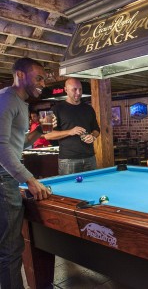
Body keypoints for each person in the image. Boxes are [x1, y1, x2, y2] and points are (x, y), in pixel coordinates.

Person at [0, 57, 52, 289]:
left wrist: (39, 131)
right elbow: (0, 147)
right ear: (20, 75)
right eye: (38, 77)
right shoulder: (8, 99)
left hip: (5, 178)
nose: (43, 82)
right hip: (2, 179)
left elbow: (16, 145)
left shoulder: (20, 102)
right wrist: (29, 180)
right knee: (11, 248)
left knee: (8, 246)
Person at [44, 78, 100, 175]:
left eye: (80, 89)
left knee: (92, 189)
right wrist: (70, 132)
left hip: (90, 158)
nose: (78, 92)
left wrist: (93, 136)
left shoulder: (89, 108)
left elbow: (96, 129)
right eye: (74, 89)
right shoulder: (54, 109)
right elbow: (47, 135)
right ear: (66, 90)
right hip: (68, 160)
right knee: (69, 190)